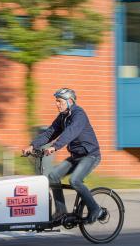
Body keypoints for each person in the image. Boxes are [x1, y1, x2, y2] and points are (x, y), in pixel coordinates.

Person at [22, 88, 103, 224]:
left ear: (69, 101)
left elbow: (71, 132)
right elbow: (49, 133)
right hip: (76, 157)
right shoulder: (62, 117)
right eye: (56, 101)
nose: (57, 104)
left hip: (90, 155)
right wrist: (32, 146)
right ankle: (61, 211)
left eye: (59, 101)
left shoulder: (79, 114)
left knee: (75, 180)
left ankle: (95, 209)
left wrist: (55, 146)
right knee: (53, 176)